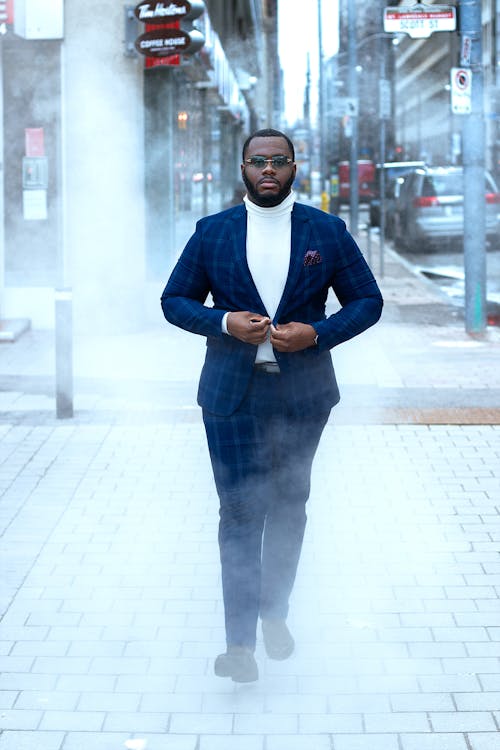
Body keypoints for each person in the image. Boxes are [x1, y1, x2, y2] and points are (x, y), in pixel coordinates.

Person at [161, 128, 383, 682]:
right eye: (257, 161)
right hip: (230, 395)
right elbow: (173, 300)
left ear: (293, 167)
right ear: (241, 166)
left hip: (302, 395)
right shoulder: (212, 233)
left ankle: (274, 613)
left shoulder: (324, 231)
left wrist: (319, 333)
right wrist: (222, 321)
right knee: (238, 512)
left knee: (288, 506)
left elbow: (368, 301)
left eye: (278, 161)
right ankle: (238, 646)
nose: (267, 170)